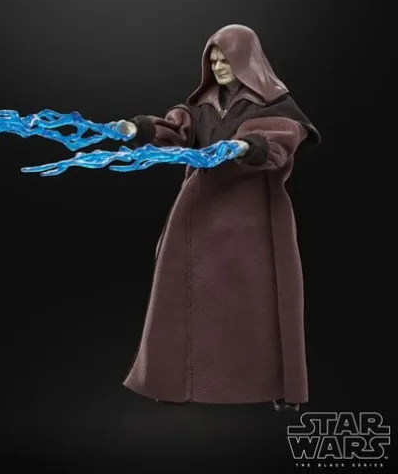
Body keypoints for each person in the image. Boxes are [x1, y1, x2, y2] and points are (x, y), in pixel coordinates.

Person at [119, 24, 321, 412]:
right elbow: (177, 129)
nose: (218, 66)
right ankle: (174, 381)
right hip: (198, 213)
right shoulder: (202, 106)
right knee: (181, 294)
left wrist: (247, 145)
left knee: (259, 299)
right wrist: (138, 128)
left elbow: (282, 138)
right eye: (213, 59)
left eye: (225, 58)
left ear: (246, 60)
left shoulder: (274, 104)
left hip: (252, 218)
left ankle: (278, 386)